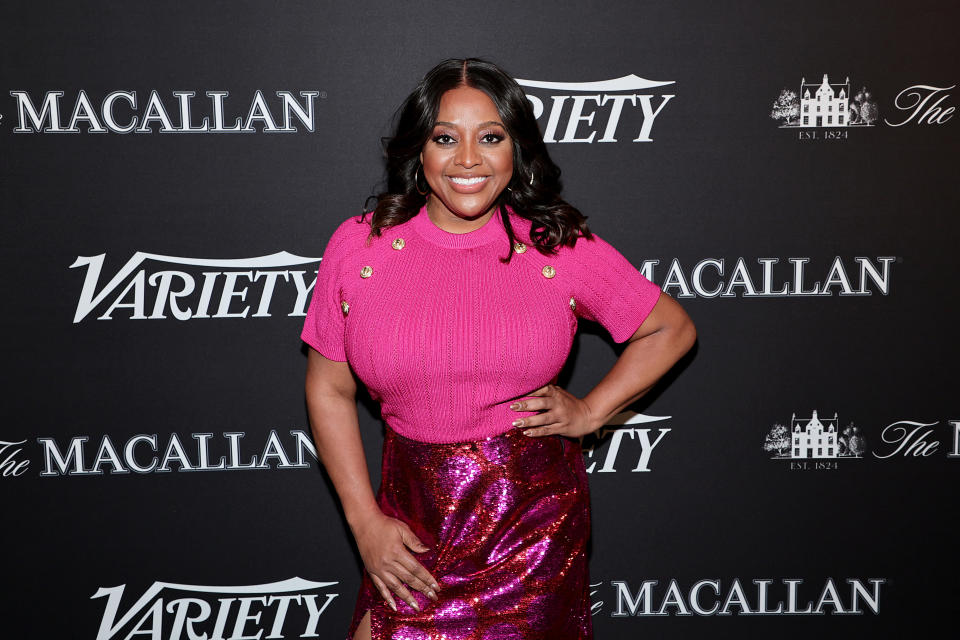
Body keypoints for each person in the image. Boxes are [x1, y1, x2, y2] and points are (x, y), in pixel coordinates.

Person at [302, 58, 696, 640]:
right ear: (419, 150)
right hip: (410, 521)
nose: (467, 160)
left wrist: (590, 411)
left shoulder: (555, 247)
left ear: (517, 151)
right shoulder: (360, 245)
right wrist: (364, 523)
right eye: (445, 138)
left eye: (490, 137)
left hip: (529, 529)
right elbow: (328, 388)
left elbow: (670, 329)